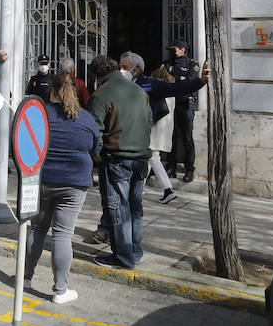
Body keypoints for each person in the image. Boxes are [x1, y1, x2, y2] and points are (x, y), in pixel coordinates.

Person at [24, 72, 100, 304]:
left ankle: (25, 279)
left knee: (37, 229)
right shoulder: (86, 119)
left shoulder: (40, 114)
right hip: (74, 184)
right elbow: (95, 149)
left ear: (52, 91)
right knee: (63, 234)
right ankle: (60, 290)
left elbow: (25, 144)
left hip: (42, 180)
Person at [85, 54, 152, 269]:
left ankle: (123, 257)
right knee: (135, 207)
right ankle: (134, 251)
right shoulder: (139, 91)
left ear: (97, 75)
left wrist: (96, 155)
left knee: (118, 209)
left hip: (117, 159)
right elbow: (148, 122)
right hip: (141, 158)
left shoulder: (100, 95)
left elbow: (93, 133)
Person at [120, 52, 209, 204]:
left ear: (137, 68)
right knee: (148, 161)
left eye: (125, 67)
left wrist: (199, 82)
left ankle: (149, 192)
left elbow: (176, 88)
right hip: (127, 139)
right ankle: (143, 193)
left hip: (144, 135)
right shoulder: (121, 85)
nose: (122, 70)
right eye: (120, 66)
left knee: (150, 159)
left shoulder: (149, 83)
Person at [164, 41, 203, 182]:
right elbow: (163, 79)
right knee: (170, 137)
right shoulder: (167, 64)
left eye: (174, 49)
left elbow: (191, 82)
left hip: (186, 105)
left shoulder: (192, 64)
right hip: (171, 103)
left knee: (187, 138)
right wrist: (179, 79)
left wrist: (176, 80)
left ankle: (189, 169)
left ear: (182, 49)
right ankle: (171, 167)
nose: (172, 52)